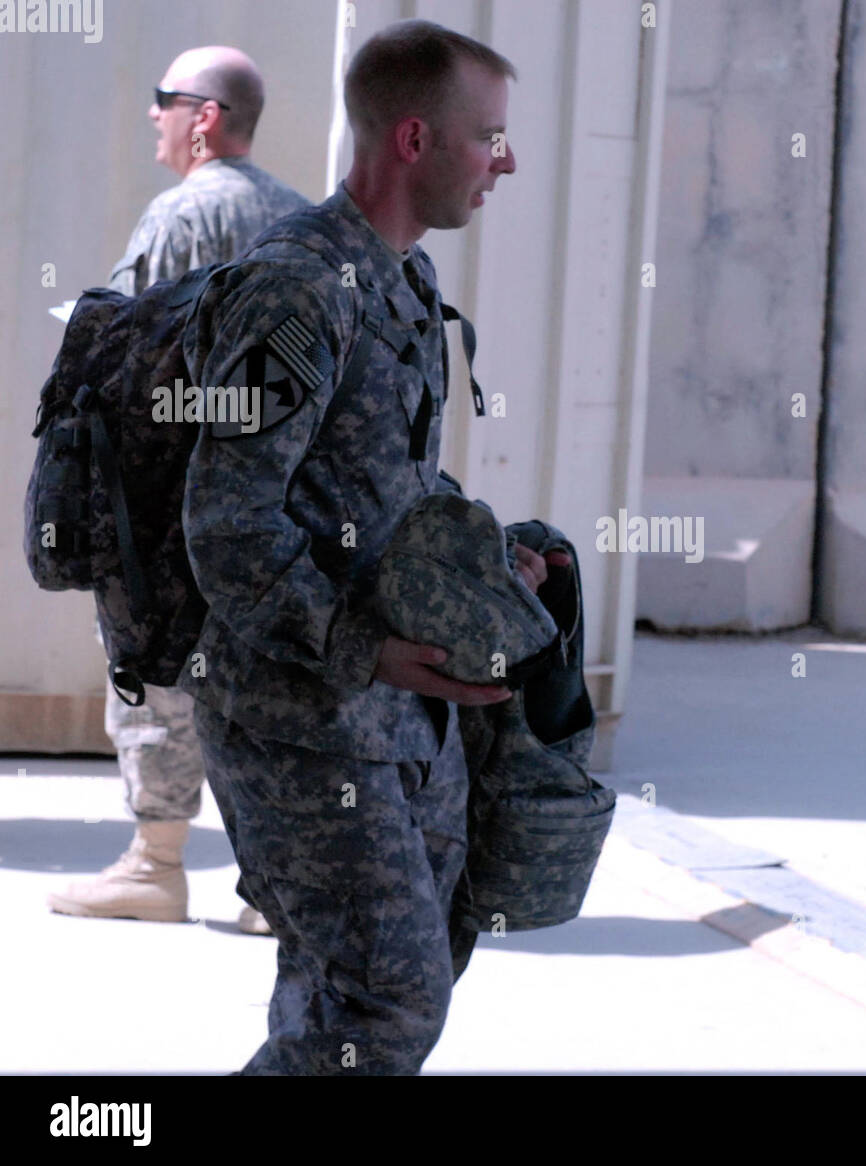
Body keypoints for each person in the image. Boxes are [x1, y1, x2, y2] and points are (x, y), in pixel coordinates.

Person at [180, 19, 566, 1075]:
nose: (507, 160)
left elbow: (387, 487)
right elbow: (227, 517)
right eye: (488, 136)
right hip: (301, 712)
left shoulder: (401, 280)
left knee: (387, 977)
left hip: (399, 715)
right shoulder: (294, 285)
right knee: (384, 1006)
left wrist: (491, 563)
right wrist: (359, 644)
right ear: (411, 139)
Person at [46, 46, 309, 934]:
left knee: (159, 673)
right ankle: (272, 886)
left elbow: (125, 358)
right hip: (281, 508)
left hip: (177, 500)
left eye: (165, 102)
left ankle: (156, 865)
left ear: (205, 117)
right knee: (264, 681)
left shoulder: (180, 218)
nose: (151, 116)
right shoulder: (301, 219)